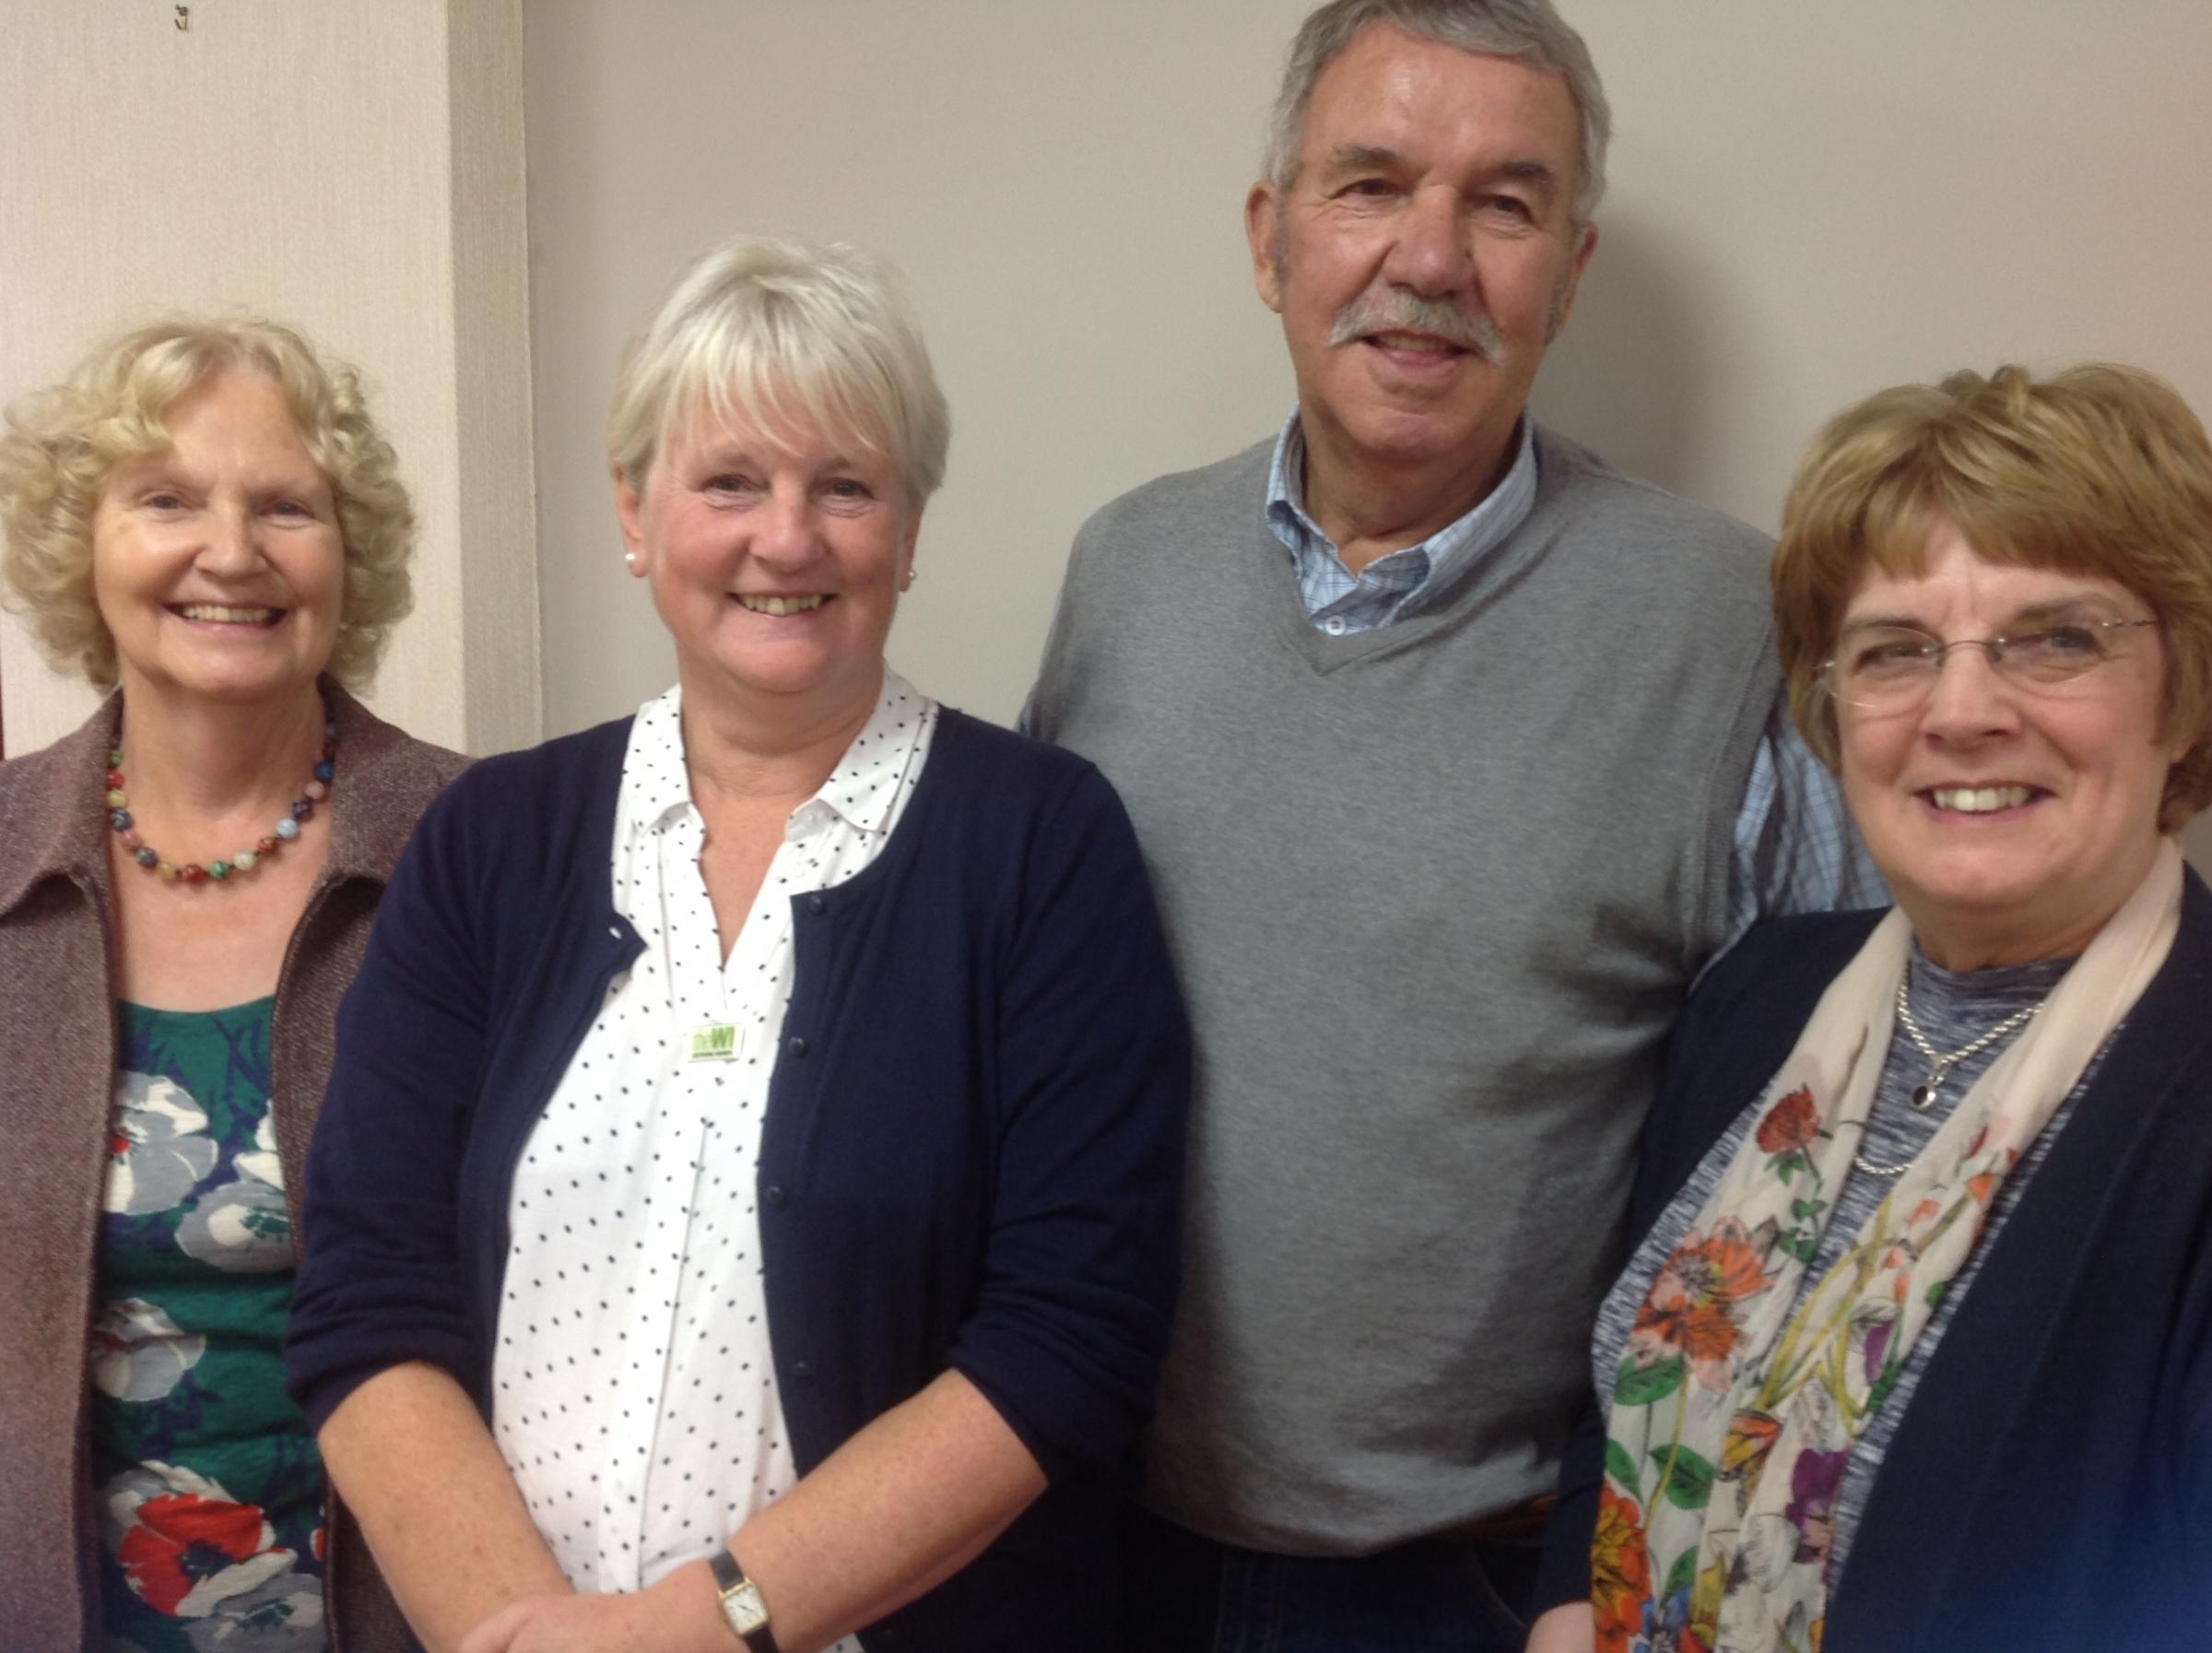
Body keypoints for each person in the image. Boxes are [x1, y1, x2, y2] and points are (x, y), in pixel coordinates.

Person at [1024, 0, 1881, 1646]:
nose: (1430, 255)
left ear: (1569, 266)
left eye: (1504, 203)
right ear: (1272, 240)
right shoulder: (1124, 567)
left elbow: (1833, 1118)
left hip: (1495, 1579)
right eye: (1370, 184)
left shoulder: (1719, 619)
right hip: (1095, 1538)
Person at [284, 237, 1191, 1653]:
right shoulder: (491, 840)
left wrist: (700, 1628)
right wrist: (517, 1636)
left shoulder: (1038, 844)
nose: (787, 537)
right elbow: (365, 1289)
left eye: (845, 485)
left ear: (909, 526)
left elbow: (1067, 1338)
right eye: (729, 482)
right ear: (635, 512)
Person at [1532, 363, 2212, 1652]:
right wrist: (1571, 1604)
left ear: (2179, 694)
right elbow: (1625, 1396)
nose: (1963, 711)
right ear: (1832, 708)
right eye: (1898, 650)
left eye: (2057, 636)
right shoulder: (1759, 993)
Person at [0, 317, 465, 1652]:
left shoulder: (483, 850)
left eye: (285, 506)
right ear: (79, 545)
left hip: (421, 1617)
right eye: (167, 500)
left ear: (347, 551)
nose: (231, 551)